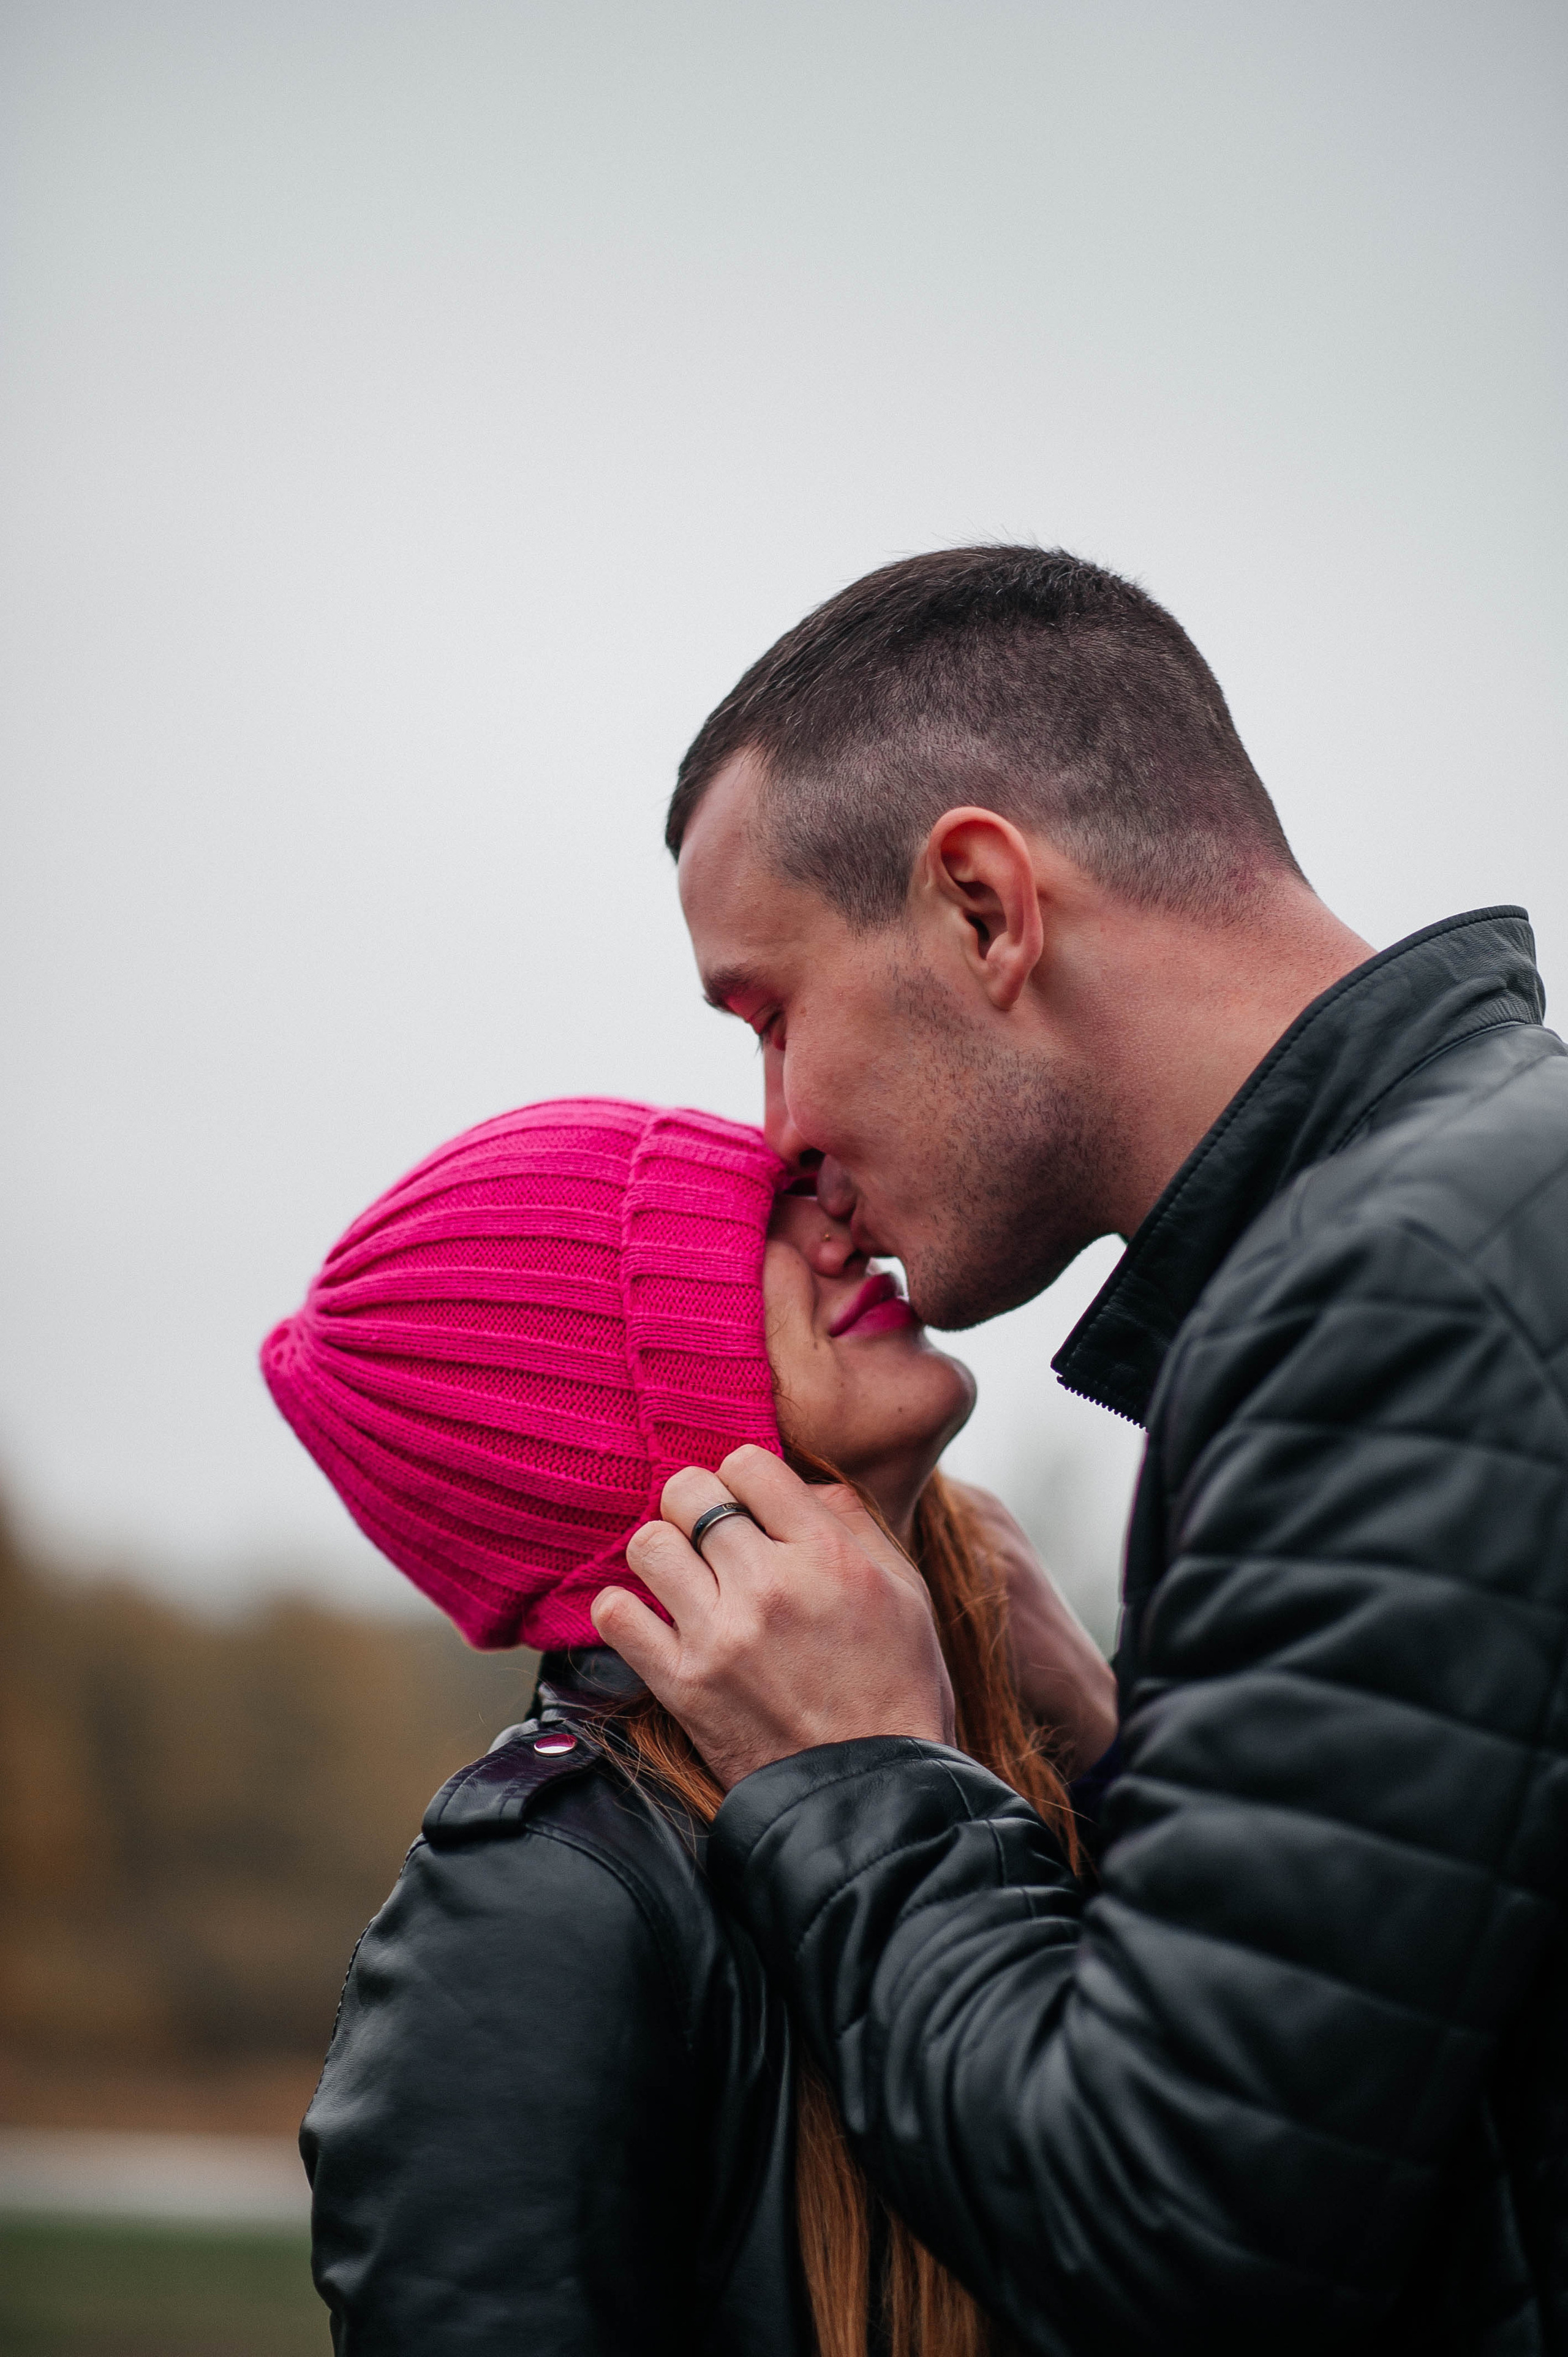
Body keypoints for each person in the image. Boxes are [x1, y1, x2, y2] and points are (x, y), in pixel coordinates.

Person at [593, 547, 1568, 2353]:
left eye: (768, 1016)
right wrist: (1136, 1758)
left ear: (983, 907)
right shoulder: (1493, 1205)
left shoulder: (1386, 1302)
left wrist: (863, 1769)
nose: (779, 1133)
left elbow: (1177, 2248)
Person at [261, 1095, 1112, 2356]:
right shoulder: (542, 1902)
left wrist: (1105, 1760)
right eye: (732, 1237)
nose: (834, 1221)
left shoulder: (1011, 1726)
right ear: (595, 1416)